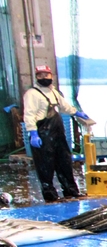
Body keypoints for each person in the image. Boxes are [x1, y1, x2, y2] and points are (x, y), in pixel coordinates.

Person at [23, 64, 89, 202]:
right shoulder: (32, 94)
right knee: (45, 165)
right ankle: (50, 196)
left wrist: (77, 112)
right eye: (40, 76)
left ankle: (71, 191)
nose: (44, 78)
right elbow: (29, 115)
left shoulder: (54, 92)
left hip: (57, 133)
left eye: (46, 75)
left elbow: (64, 106)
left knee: (64, 161)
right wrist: (33, 133)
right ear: (36, 77)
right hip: (42, 133)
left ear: (51, 76)